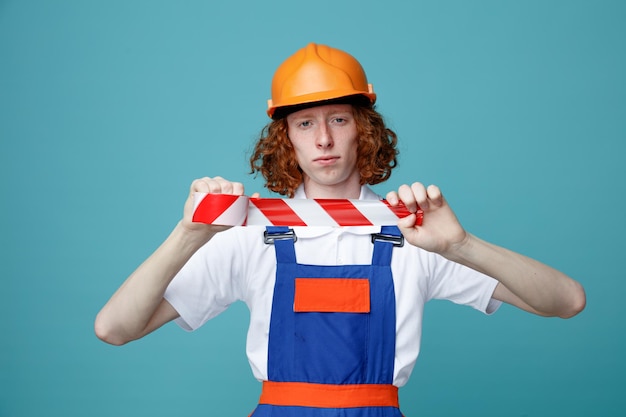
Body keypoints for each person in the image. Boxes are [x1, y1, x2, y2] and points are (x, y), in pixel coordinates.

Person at [95, 43, 586, 416]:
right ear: (285, 138)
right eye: (305, 123)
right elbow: (114, 329)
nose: (324, 138)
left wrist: (461, 245)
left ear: (363, 129)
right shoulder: (251, 236)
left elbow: (566, 301)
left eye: (338, 119)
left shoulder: (415, 234)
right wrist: (188, 234)